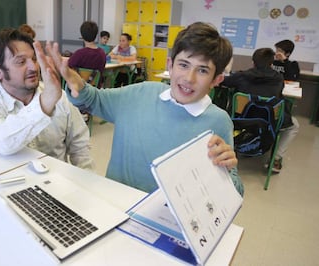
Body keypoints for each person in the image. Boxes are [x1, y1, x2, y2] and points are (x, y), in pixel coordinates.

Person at [34, 22, 244, 196]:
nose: (189, 78)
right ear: (170, 65)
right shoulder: (141, 93)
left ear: (216, 79)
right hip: (115, 205)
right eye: (183, 65)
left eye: (203, 70)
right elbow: (95, 100)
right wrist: (77, 84)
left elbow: (233, 193)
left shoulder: (217, 121)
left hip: (168, 220)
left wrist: (226, 171)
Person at [0, 28, 93, 170]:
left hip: (58, 183)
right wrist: (43, 105)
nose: (33, 68)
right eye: (21, 62)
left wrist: (88, 185)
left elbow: (81, 148)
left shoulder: (60, 97)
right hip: (14, 185)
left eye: (34, 59)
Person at [222, 47, 299, 173]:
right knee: (294, 125)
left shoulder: (242, 76)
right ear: (271, 63)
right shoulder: (279, 78)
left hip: (242, 120)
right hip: (269, 121)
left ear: (253, 62)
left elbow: (224, 81)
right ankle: (276, 159)